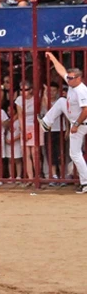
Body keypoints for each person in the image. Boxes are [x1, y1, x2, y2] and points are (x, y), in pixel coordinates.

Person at [41, 52, 87, 193]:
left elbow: (86, 109)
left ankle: (85, 182)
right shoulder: (72, 84)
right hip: (76, 120)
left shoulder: (81, 90)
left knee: (75, 154)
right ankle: (46, 122)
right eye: (69, 77)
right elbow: (61, 70)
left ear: (79, 78)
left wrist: (76, 125)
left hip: (81, 123)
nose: (68, 80)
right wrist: (53, 57)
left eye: (71, 78)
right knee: (61, 101)